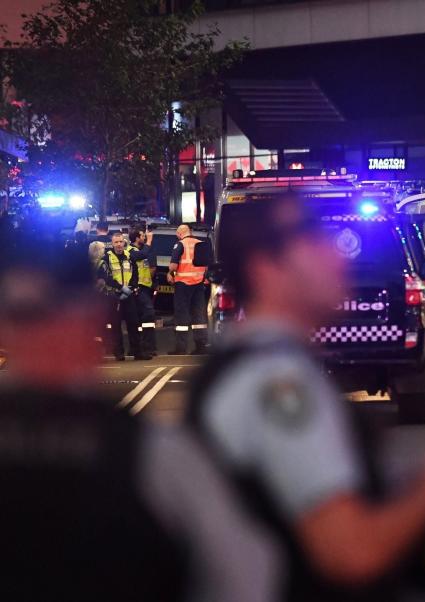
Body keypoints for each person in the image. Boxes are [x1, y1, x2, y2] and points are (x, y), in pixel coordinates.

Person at [187, 196, 425, 599]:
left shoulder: (249, 367)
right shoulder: (279, 383)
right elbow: (350, 552)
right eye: (313, 241)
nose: (339, 253)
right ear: (265, 269)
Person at [0, 236, 281, 602]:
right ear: (93, 322)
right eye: (29, 318)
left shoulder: (157, 453)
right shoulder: (153, 452)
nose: (43, 337)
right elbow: (243, 573)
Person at [99, 232, 149, 361]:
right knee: (115, 326)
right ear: (112, 243)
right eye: (116, 242)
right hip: (114, 296)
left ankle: (137, 352)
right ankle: (119, 353)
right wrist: (120, 288)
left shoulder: (129, 256)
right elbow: (106, 277)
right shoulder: (106, 258)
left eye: (121, 242)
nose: (119, 244)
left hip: (128, 295)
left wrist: (133, 286)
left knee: (133, 323)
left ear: (124, 242)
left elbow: (135, 273)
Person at [168, 224, 208, 355]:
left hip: (183, 284)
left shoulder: (180, 244)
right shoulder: (201, 243)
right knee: (199, 314)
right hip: (198, 284)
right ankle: (201, 346)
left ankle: (181, 348)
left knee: (181, 315)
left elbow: (173, 266)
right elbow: (207, 265)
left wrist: (170, 273)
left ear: (180, 233)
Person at [129, 227, 157, 357]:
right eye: (142, 235)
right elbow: (142, 255)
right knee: (148, 313)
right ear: (136, 238)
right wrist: (149, 241)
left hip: (146, 287)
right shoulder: (131, 250)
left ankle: (145, 347)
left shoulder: (142, 250)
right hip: (137, 288)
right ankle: (144, 347)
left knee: (141, 317)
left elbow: (149, 266)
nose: (144, 237)